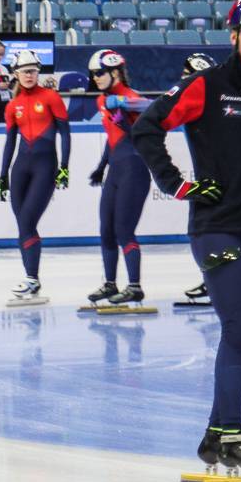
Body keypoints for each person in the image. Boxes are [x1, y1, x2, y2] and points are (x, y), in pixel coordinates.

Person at [132, 0, 241, 475]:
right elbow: (147, 128)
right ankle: (232, 432)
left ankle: (218, 434)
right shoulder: (206, 86)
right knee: (239, 321)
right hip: (215, 229)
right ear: (234, 37)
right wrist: (177, 184)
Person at [0, 50, 71, 304]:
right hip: (21, 168)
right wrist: (2, 174)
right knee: (23, 224)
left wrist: (64, 166)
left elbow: (65, 133)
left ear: (38, 72)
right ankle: (33, 279)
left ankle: (31, 278)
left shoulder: (51, 98)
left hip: (45, 166)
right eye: (24, 71)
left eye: (33, 71)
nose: (29, 75)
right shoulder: (12, 106)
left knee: (28, 219)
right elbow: (9, 143)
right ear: (16, 74)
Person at [84, 49, 153, 307]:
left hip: (134, 170)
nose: (96, 78)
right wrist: (102, 166)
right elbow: (113, 139)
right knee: (106, 230)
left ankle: (135, 287)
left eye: (100, 73)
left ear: (115, 72)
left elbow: (152, 107)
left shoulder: (129, 96)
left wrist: (125, 105)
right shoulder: (101, 101)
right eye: (93, 74)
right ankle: (110, 283)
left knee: (125, 230)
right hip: (115, 169)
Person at [176, 52, 219, 307]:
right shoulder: (204, 100)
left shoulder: (204, 102)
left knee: (203, 233)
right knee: (202, 234)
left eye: (185, 74)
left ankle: (219, 283)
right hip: (210, 178)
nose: (181, 79)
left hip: (215, 181)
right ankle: (215, 281)